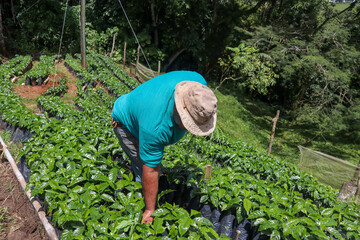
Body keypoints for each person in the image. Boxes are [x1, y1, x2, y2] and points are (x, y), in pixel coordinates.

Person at [111, 70, 217, 224]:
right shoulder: (155, 127)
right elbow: (151, 170)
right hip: (124, 124)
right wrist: (150, 210)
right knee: (143, 169)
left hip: (143, 111)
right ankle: (138, 204)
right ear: (179, 108)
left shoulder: (197, 87)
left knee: (152, 164)